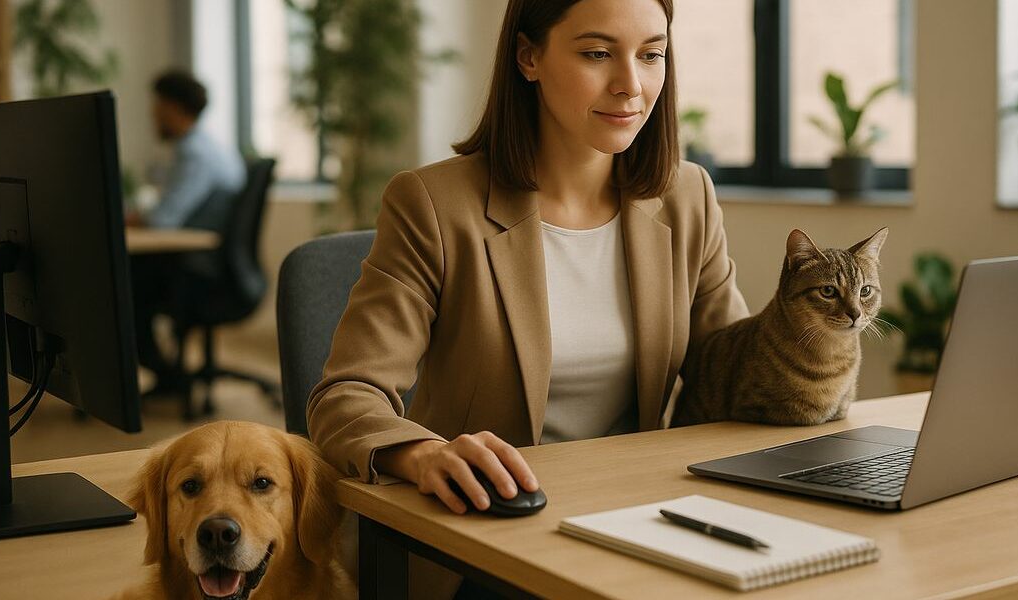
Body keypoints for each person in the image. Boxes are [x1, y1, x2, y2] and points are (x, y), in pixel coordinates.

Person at [308, 0, 748, 594]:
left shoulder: (686, 195)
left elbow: (736, 371)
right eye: (597, 54)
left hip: (639, 528)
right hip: (486, 544)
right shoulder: (433, 205)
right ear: (528, 56)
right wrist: (420, 455)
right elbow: (345, 395)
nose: (631, 85)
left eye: (651, 55)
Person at [129, 70, 246, 388]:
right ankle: (166, 373)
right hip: (217, 266)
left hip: (203, 273)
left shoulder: (195, 154)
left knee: (123, 283)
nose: (152, 113)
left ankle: (165, 377)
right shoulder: (208, 147)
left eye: (157, 105)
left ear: (172, 108)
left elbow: (164, 219)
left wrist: (123, 217)